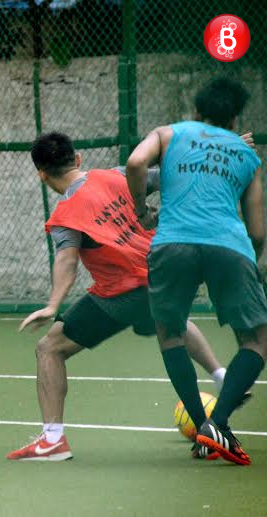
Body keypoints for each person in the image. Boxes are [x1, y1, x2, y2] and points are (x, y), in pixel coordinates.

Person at [7, 132, 233, 462]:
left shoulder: (65, 217)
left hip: (125, 291)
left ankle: (52, 440)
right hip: (166, 274)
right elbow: (171, 175)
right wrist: (224, 151)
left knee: (49, 348)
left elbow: (67, 262)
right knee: (171, 324)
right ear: (78, 158)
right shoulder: (117, 175)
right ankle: (221, 378)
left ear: (41, 173)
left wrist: (53, 305)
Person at [126, 76, 264, 466]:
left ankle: (205, 428)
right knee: (257, 339)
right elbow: (257, 230)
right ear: (236, 120)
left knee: (170, 332)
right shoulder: (246, 154)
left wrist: (141, 211)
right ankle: (216, 424)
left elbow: (136, 162)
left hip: (173, 243)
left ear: (196, 113)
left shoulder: (169, 133)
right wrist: (252, 263)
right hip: (229, 247)